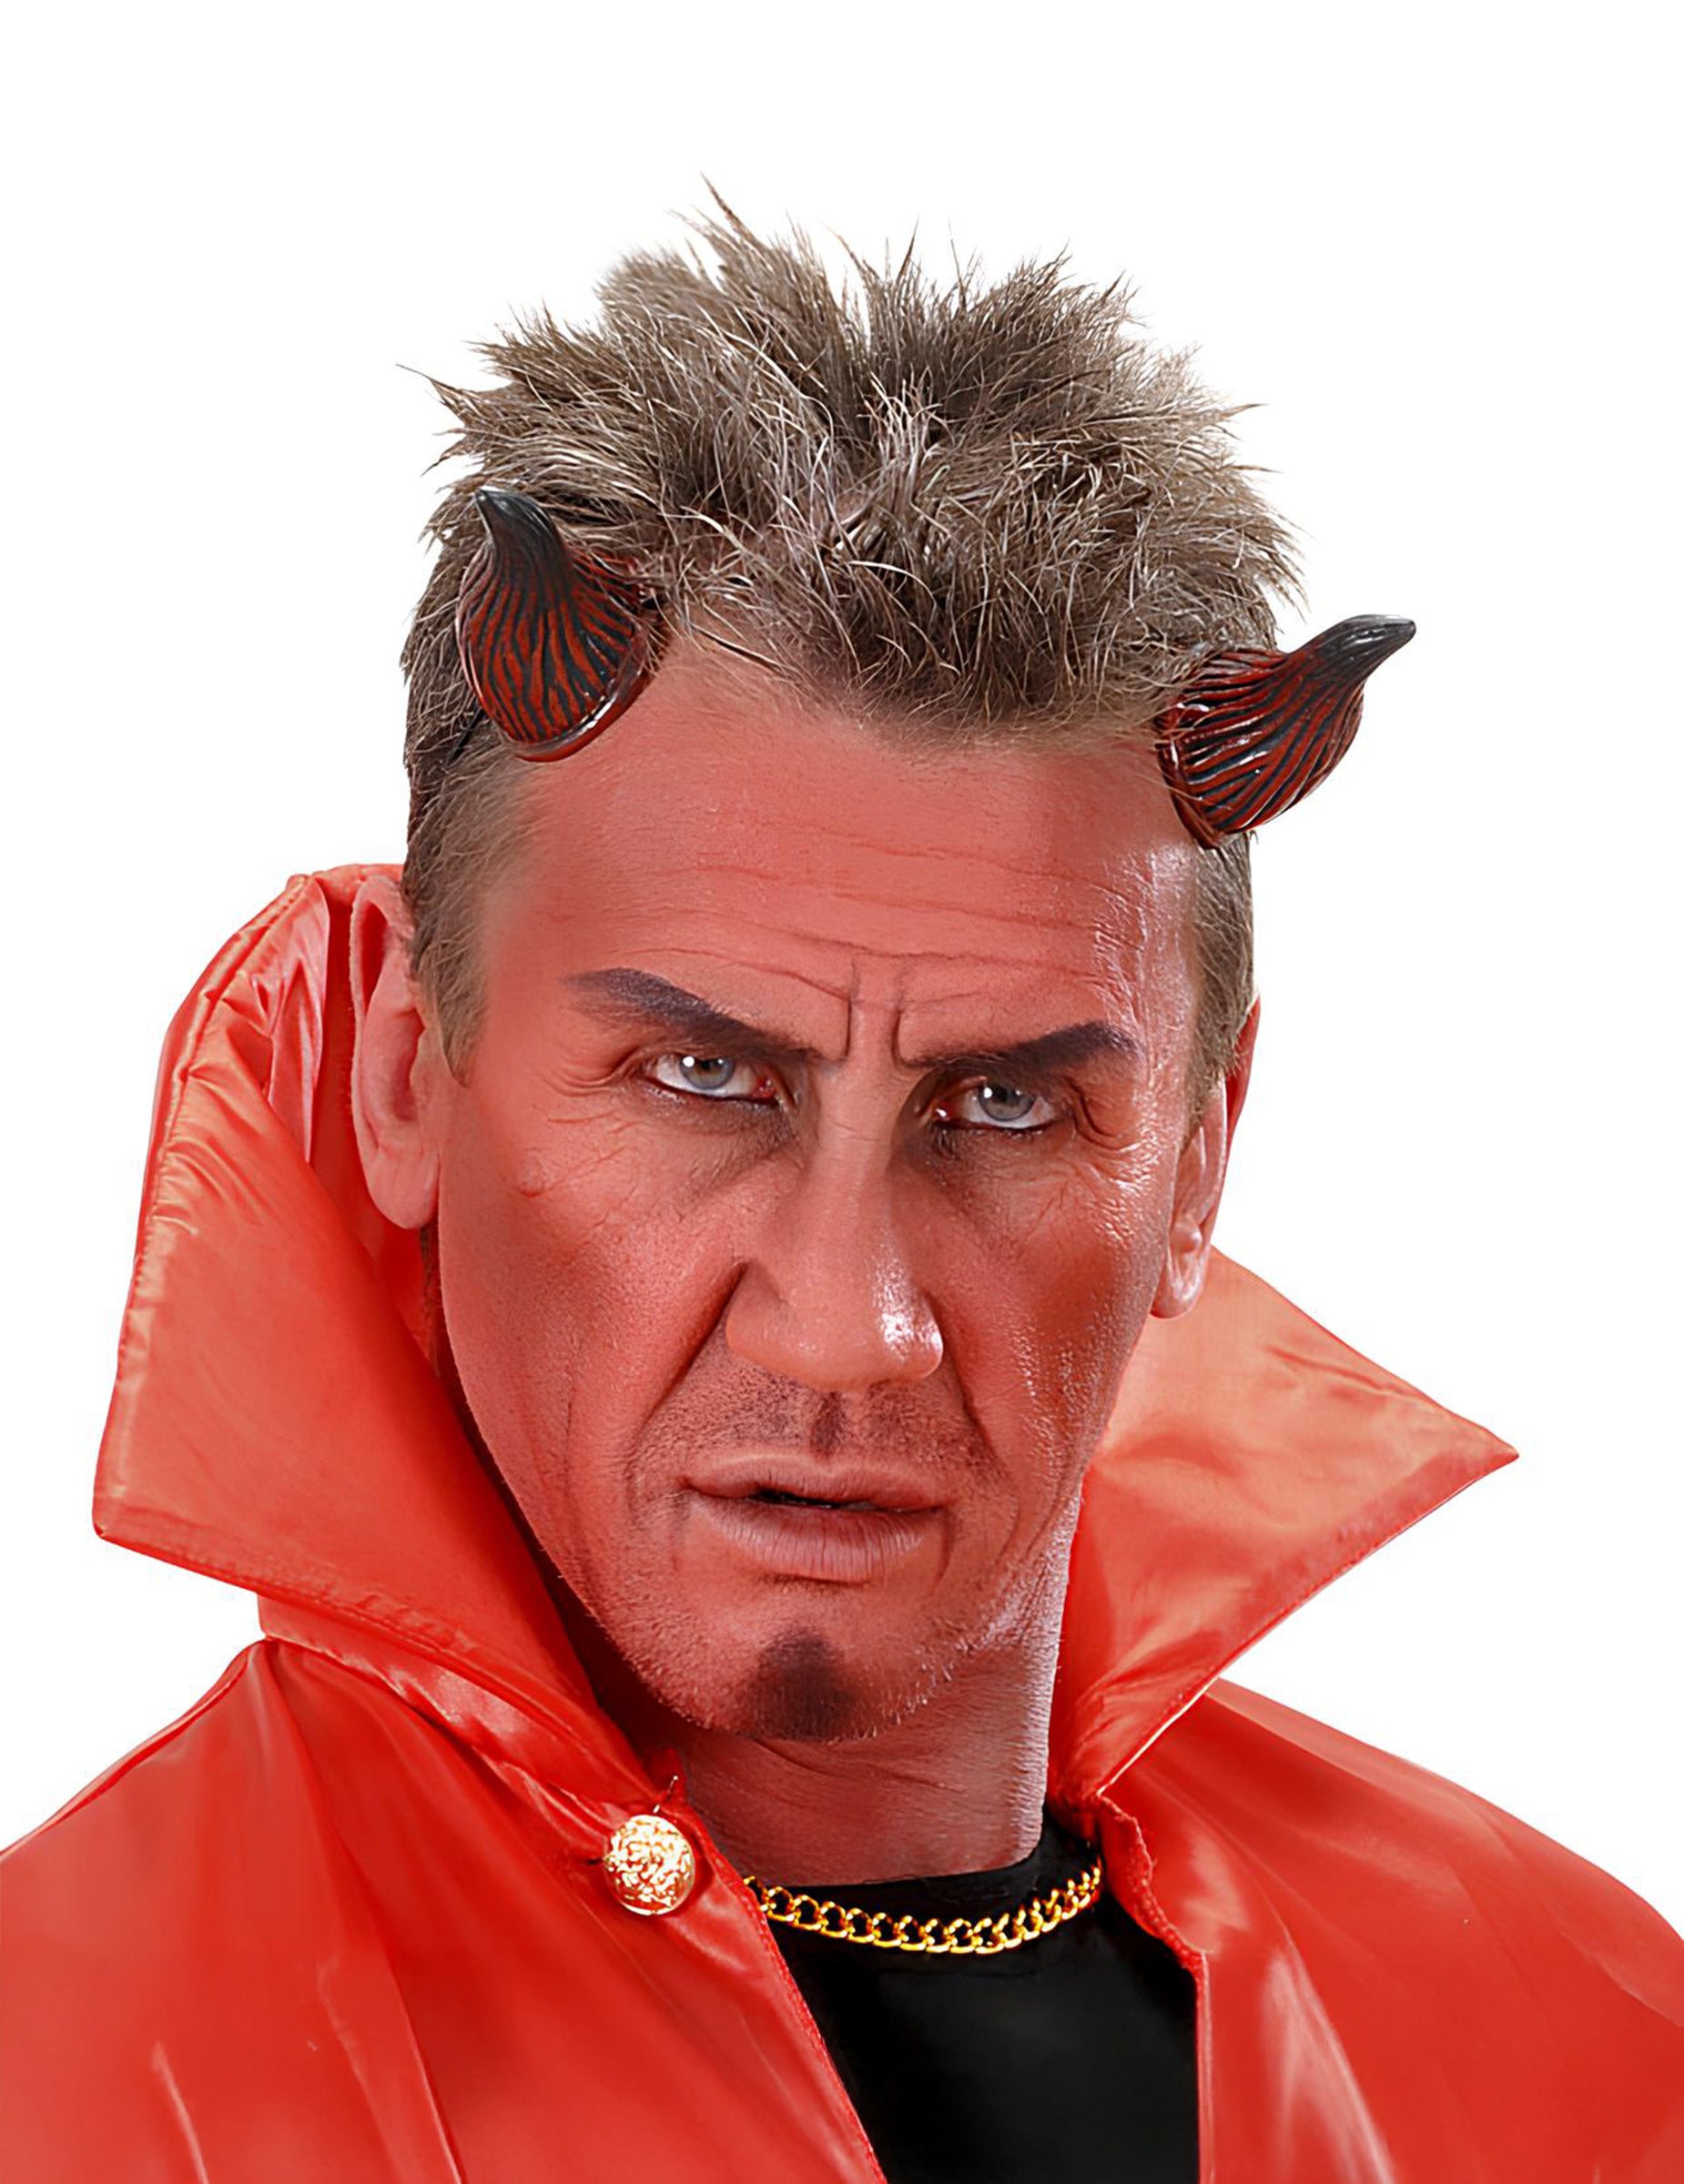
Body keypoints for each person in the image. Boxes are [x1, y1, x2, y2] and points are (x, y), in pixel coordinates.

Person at [4, 200, 1681, 2183]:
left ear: (1198, 1157)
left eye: (1000, 1105)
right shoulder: (70, 2076)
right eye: (703, 1077)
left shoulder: (1574, 2037)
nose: (848, 1327)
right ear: (399, 1077)